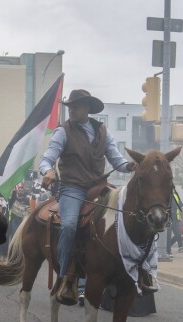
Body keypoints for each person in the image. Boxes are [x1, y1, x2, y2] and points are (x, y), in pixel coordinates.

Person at [39, 89, 141, 305]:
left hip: (100, 186)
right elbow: (48, 157)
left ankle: (139, 271)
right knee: (68, 225)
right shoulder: (63, 131)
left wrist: (129, 165)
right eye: (70, 107)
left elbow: (116, 160)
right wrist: (48, 170)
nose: (71, 111)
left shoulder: (103, 132)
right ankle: (66, 277)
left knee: (127, 217)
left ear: (86, 109)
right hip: (73, 188)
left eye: (75, 107)